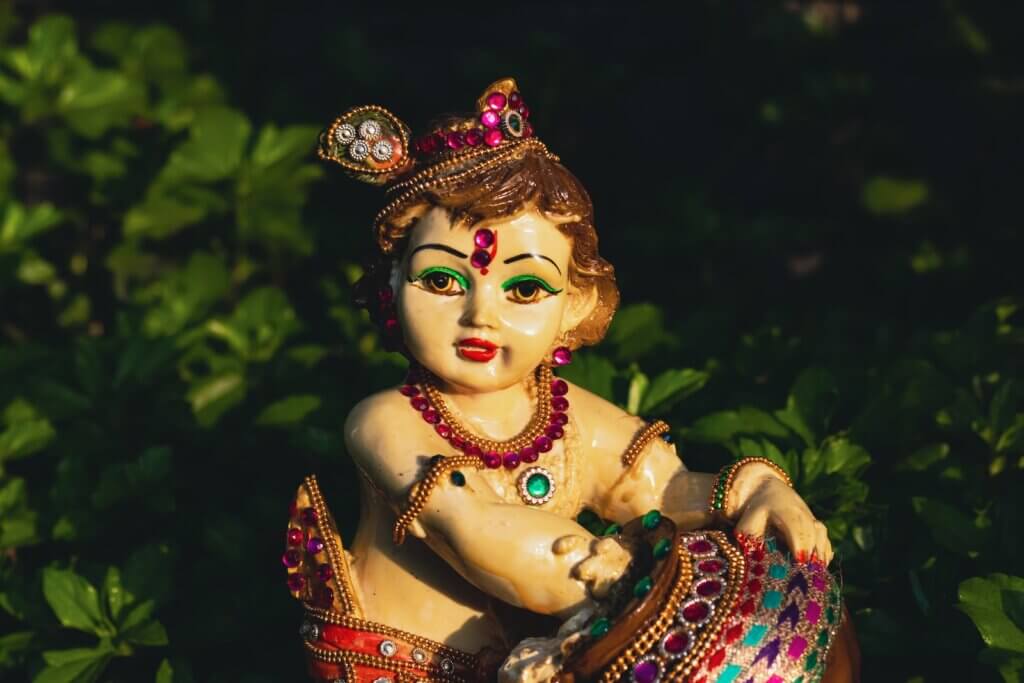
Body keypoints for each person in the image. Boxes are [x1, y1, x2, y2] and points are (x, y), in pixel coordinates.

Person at [282, 78, 859, 683]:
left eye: (525, 289)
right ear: (392, 284)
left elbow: (662, 490)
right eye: (443, 282)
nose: (481, 315)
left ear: (574, 306)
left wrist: (753, 495)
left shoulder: (566, 414)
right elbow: (473, 530)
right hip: (413, 666)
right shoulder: (385, 422)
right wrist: (624, 582)